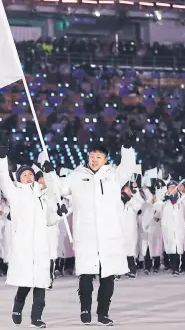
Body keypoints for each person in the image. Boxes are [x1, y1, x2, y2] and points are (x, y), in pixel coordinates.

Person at [44, 136, 136, 326]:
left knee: (107, 275)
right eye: (92, 156)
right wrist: (49, 173)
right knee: (86, 274)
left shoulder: (114, 175)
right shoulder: (77, 175)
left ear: (106, 159)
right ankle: (85, 309)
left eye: (99, 157)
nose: (94, 160)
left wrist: (127, 148)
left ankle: (103, 312)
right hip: (86, 234)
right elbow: (60, 189)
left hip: (109, 235)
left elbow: (127, 167)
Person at [0, 136, 57, 329]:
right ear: (19, 179)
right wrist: (1, 158)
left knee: (41, 282)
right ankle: (18, 305)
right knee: (25, 282)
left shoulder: (43, 196)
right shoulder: (15, 194)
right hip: (23, 245)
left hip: (40, 245)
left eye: (31, 174)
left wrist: (60, 213)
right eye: (25, 175)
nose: (29, 176)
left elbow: (50, 219)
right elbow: (4, 179)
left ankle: (36, 317)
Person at [159, 180, 185, 277]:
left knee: (178, 248)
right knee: (170, 248)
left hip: (179, 227)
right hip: (168, 228)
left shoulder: (182, 200)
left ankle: (176, 268)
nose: (172, 189)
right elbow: (157, 209)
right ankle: (174, 267)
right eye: (170, 187)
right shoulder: (164, 201)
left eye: (174, 187)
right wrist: (162, 201)